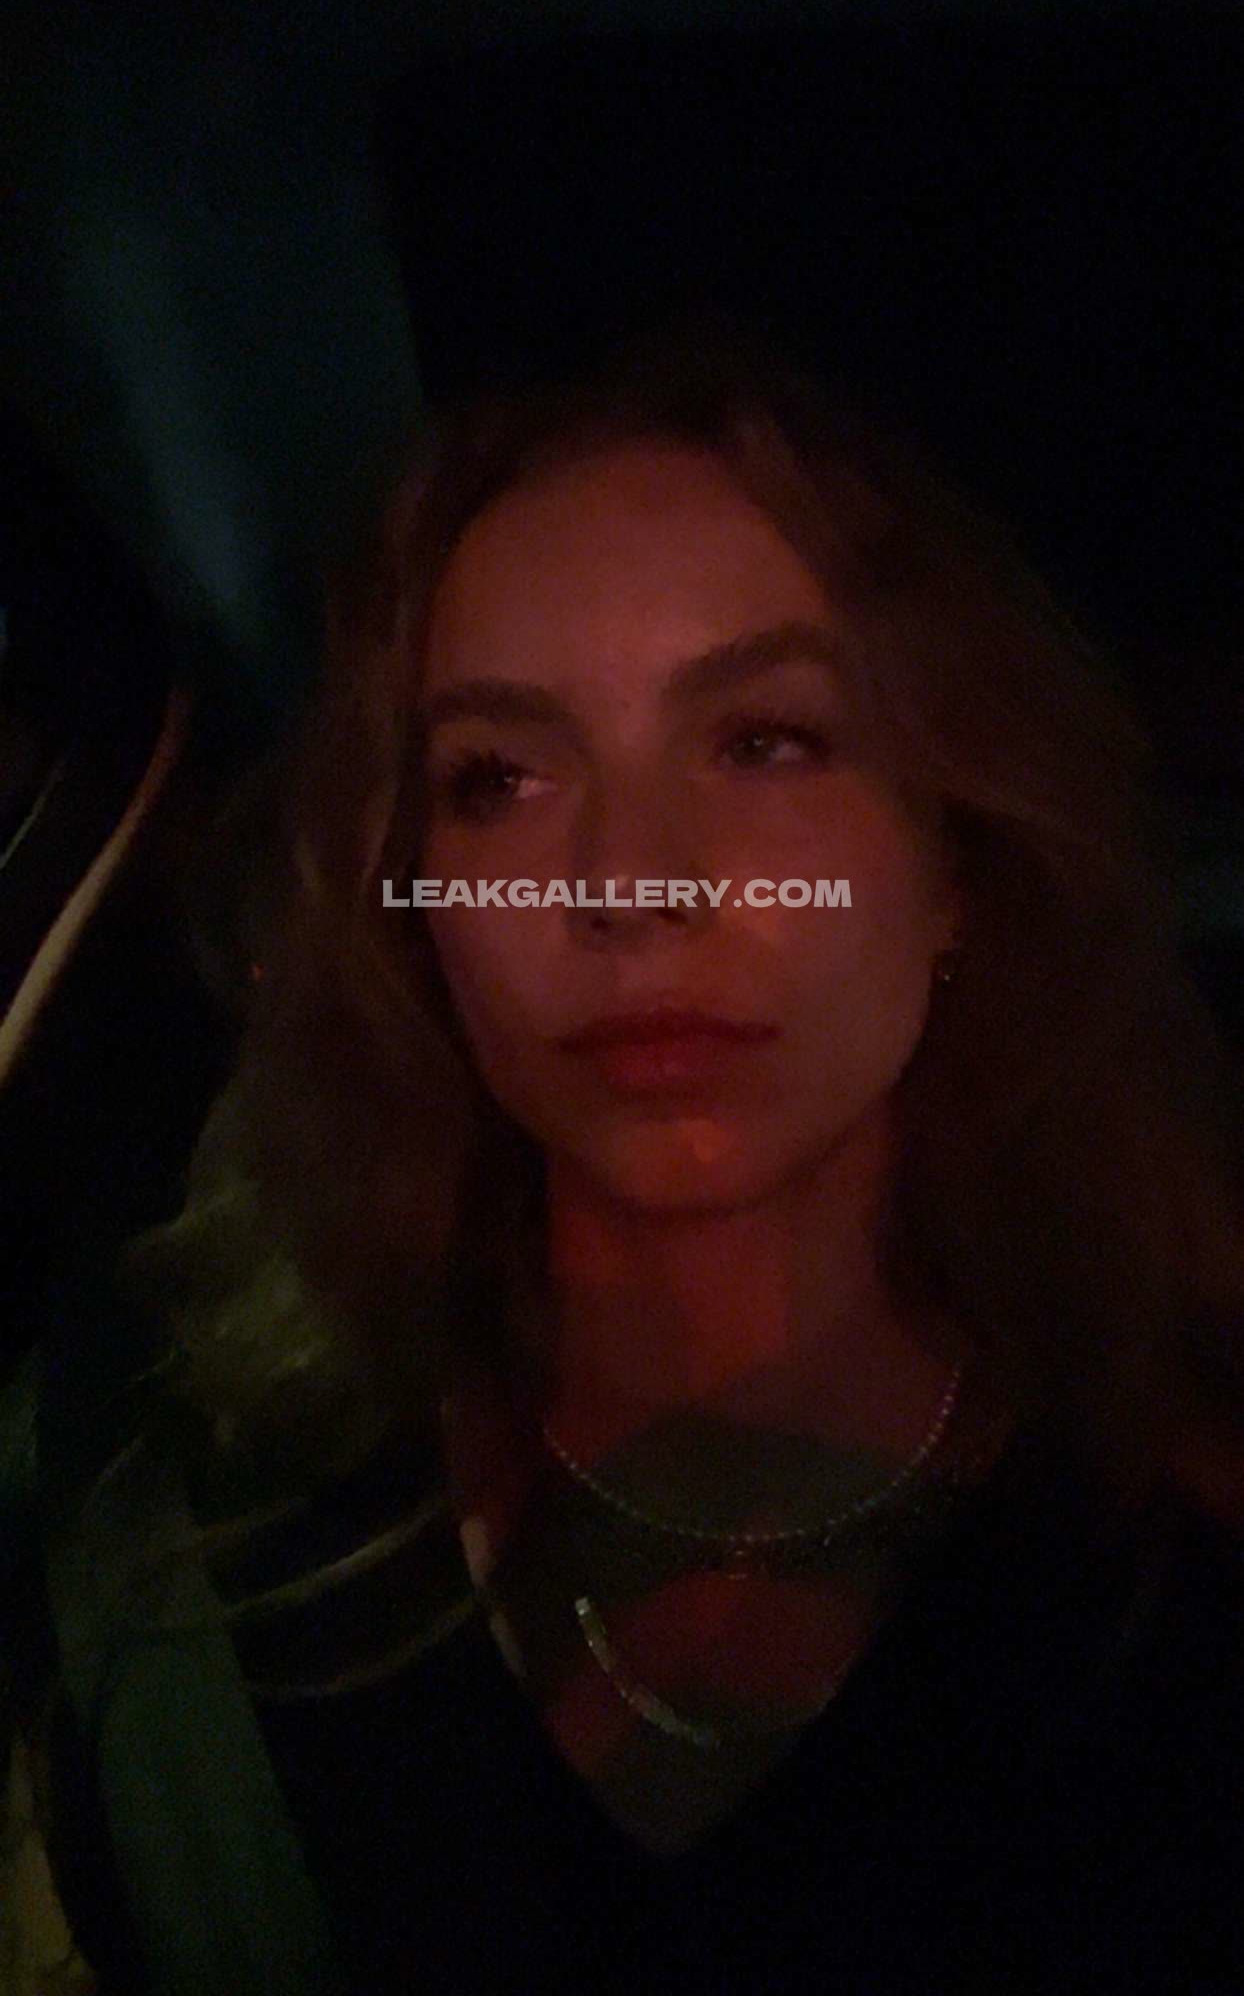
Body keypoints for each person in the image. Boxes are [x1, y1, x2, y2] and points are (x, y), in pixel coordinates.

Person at [3, 303, 1242, 1994]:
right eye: (500, 780)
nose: (629, 884)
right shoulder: (178, 1524)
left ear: (956, 860)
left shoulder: (1171, 1544)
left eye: (764, 743)